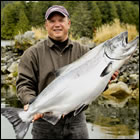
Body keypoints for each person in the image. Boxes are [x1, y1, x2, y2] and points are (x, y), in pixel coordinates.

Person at [16, 5, 118, 139]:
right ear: (46, 25)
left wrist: (106, 80)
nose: (57, 25)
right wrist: (31, 104)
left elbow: (92, 86)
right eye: (52, 21)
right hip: (44, 124)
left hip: (77, 123)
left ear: (68, 23)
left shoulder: (84, 52)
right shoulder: (32, 54)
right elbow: (24, 84)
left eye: (61, 20)